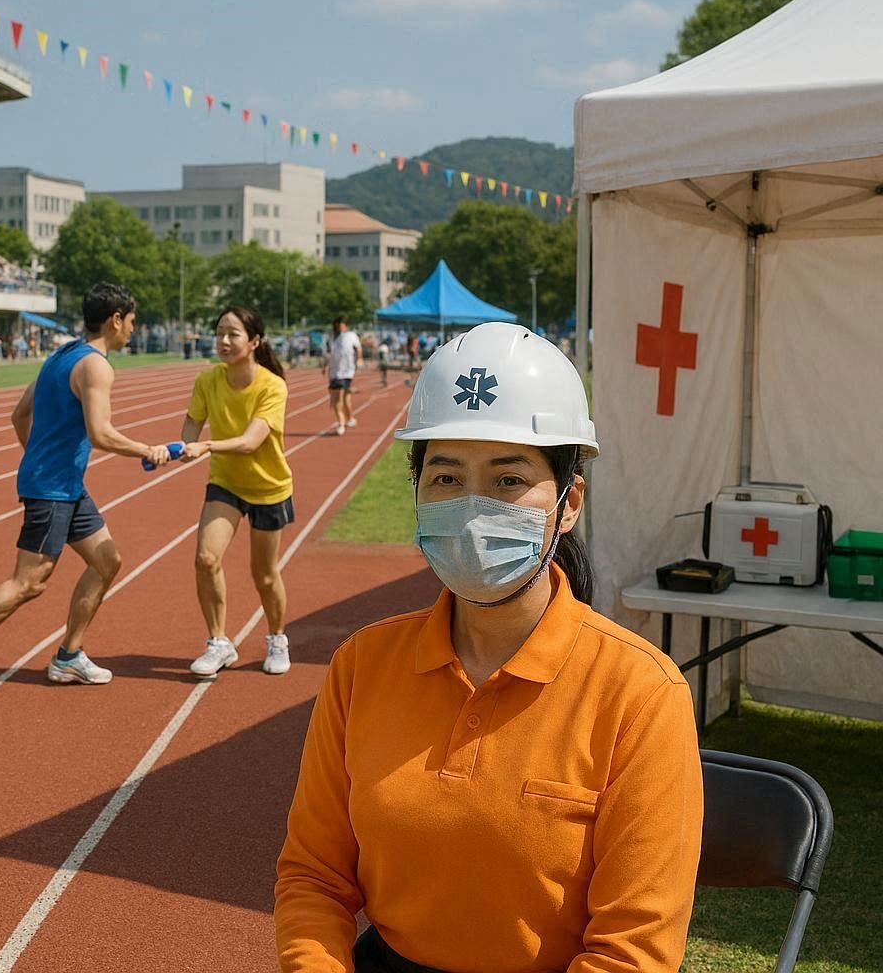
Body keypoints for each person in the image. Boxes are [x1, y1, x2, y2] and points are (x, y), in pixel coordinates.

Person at [275, 323, 702, 973]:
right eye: (446, 477)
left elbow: (632, 951)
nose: (473, 509)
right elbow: (314, 877)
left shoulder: (640, 693)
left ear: (568, 503)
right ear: (418, 492)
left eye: (508, 480)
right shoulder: (362, 666)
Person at [0, 282, 172, 684]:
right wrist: (147, 449)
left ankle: (68, 656)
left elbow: (19, 415)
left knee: (106, 561)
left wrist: (39, 457)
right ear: (115, 320)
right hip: (52, 487)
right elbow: (100, 433)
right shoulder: (95, 365)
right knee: (28, 582)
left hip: (64, 484)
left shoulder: (60, 356)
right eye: (131, 321)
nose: (133, 328)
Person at [180, 306, 295, 678]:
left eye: (233, 334)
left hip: (268, 487)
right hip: (226, 483)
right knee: (205, 559)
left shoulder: (272, 386)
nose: (224, 341)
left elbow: (250, 442)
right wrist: (185, 444)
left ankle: (277, 637)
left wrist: (205, 446)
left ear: (254, 341)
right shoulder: (207, 380)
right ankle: (218, 642)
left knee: (264, 574)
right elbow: (193, 421)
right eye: (219, 334)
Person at [323, 317, 361, 436]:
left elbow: (358, 348)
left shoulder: (351, 335)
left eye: (341, 325)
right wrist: (325, 366)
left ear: (346, 325)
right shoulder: (332, 339)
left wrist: (359, 360)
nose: (339, 327)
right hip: (334, 372)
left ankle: (341, 424)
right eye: (337, 325)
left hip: (347, 372)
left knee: (338, 399)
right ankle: (350, 419)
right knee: (344, 398)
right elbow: (329, 354)